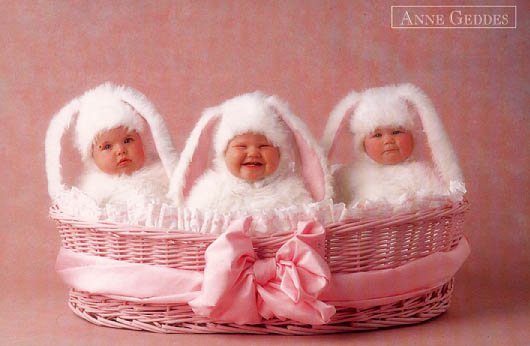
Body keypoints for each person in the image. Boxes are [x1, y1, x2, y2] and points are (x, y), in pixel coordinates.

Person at [169, 91, 333, 213]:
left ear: (281, 154)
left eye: (264, 146)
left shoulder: (293, 193)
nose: (253, 153)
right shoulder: (209, 192)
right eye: (241, 146)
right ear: (223, 153)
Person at [321, 83, 465, 207]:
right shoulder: (349, 176)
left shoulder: (422, 173)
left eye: (396, 132)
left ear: (412, 138)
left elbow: (441, 202)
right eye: (377, 135)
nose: (388, 140)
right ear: (362, 144)